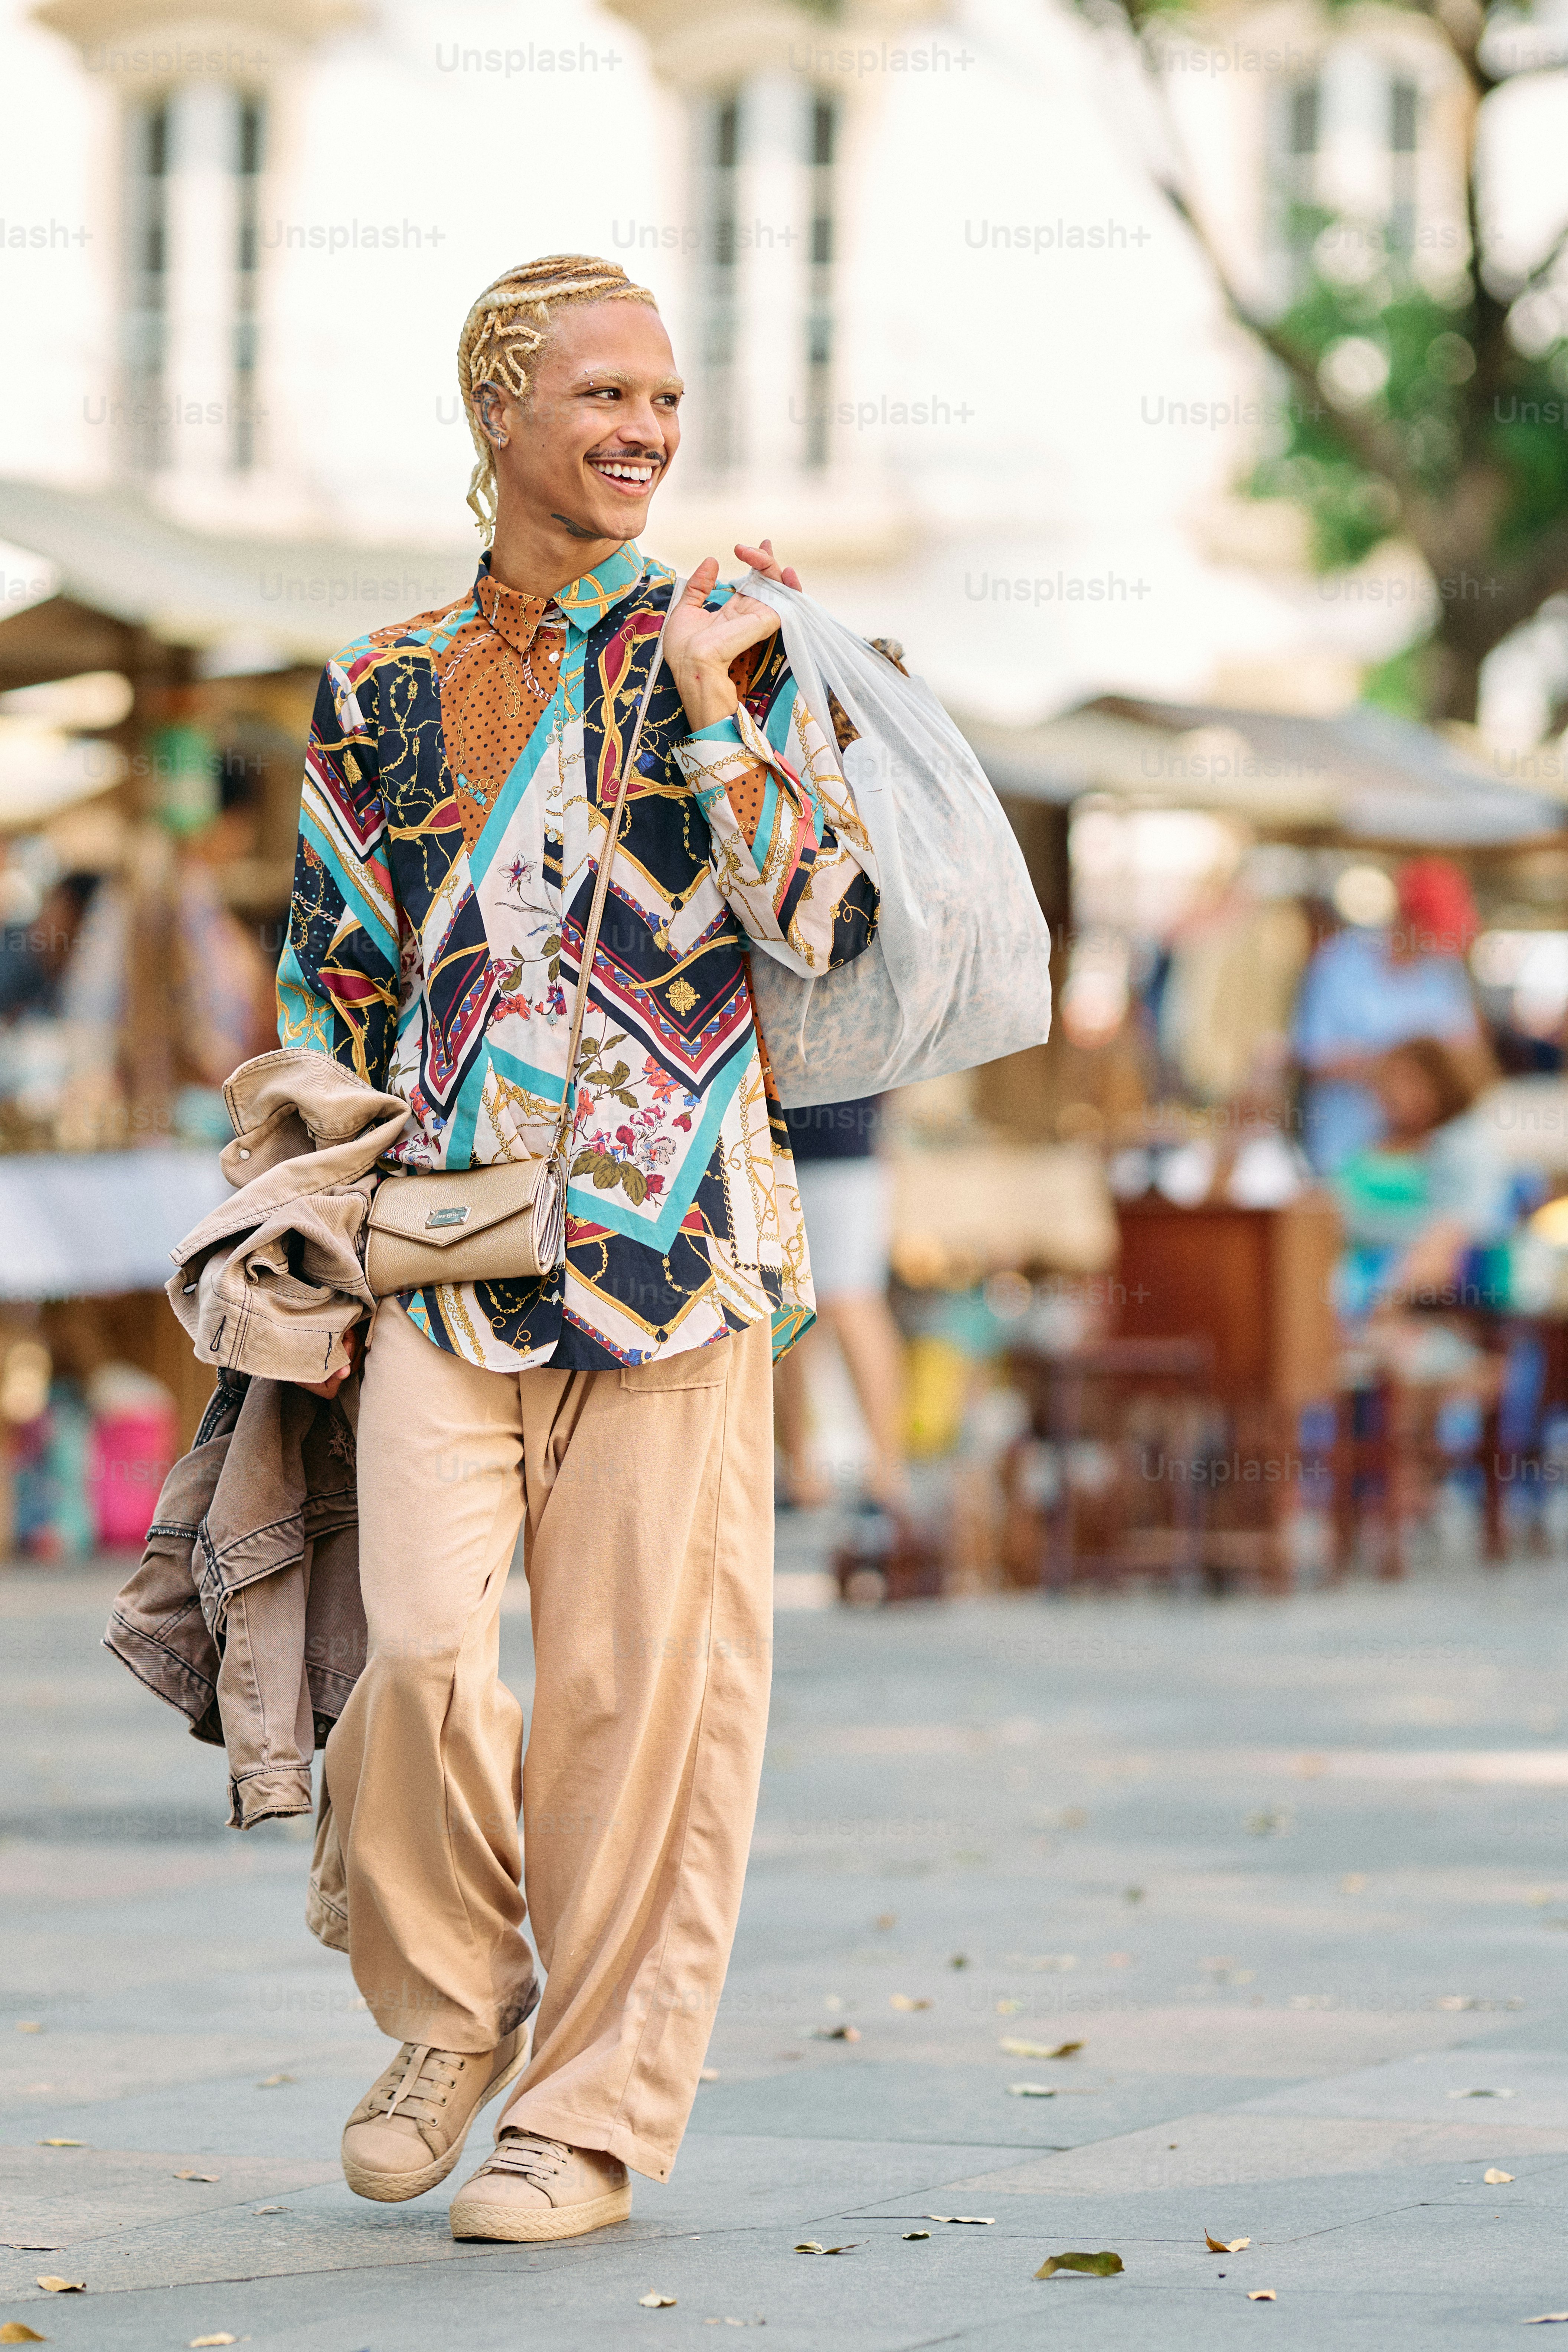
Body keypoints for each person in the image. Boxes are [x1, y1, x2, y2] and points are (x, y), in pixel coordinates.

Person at [275, 256, 881, 2244]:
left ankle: (588, 2122)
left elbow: (828, 919)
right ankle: (459, 2005)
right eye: (604, 395)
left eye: (667, 400)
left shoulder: (733, 640)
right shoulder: (371, 686)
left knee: (638, 1702)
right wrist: (310, 1237)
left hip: (677, 1247)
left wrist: (720, 708)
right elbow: (331, 1001)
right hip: (441, 1253)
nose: (644, 432)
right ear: (501, 414)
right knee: (425, 1659)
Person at [1292, 857, 1492, 1175]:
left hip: (1421, 1163)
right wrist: (1393, 1068)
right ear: (1408, 916)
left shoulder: (1444, 975)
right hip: (1344, 1153)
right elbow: (1312, 1059)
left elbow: (1466, 1056)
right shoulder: (1338, 966)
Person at [772, 1094, 907, 1508]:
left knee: (852, 1305)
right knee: (789, 1313)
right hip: (777, 1151)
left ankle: (887, 1472)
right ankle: (801, 1472)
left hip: (841, 1154)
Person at [1332, 1036, 1513, 1316]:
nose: (1395, 1093)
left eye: (1408, 1082)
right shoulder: (1375, 1141)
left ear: (1440, 1083)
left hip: (1414, 1293)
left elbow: (1456, 1230)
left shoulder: (1460, 1142)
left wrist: (1389, 1306)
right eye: (1389, 1082)